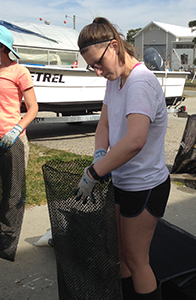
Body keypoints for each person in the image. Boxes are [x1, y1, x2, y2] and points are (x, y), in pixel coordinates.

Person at [76, 17, 170, 300]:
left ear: (114, 46)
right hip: (122, 180)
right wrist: (100, 153)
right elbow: (103, 125)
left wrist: (94, 172)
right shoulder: (114, 81)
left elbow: (135, 140)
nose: (97, 71)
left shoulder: (141, 83)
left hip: (145, 185)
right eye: (92, 66)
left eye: (98, 63)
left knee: (137, 259)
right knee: (120, 253)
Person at [0, 25, 38, 261]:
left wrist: (16, 129)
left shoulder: (19, 71)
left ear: (1, 47)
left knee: (12, 195)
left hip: (12, 141)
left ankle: (6, 246)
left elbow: (33, 109)